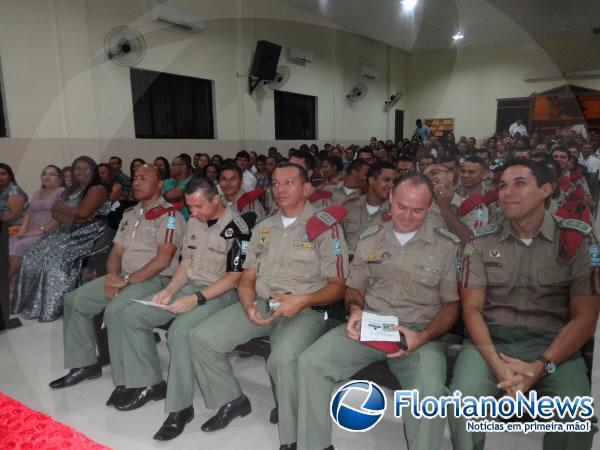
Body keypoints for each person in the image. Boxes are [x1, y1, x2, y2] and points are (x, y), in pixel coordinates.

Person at [188, 163, 349, 450]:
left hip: (305, 309)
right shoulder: (263, 228)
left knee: (282, 360)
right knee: (201, 338)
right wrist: (248, 305)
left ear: (306, 188)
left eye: (289, 182)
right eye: (275, 183)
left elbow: (337, 286)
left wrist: (303, 301)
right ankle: (232, 400)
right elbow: (247, 276)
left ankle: (294, 439)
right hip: (263, 302)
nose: (280, 189)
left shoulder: (325, 227)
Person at [296, 172, 461, 450]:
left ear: (430, 206)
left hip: (418, 333)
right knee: (310, 363)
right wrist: (356, 310)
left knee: (428, 393)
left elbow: (452, 305)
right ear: (391, 198)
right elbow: (354, 287)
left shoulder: (446, 246)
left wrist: (424, 336)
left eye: (418, 210)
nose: (407, 216)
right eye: (401, 206)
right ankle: (315, 445)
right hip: (370, 323)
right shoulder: (370, 237)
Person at [449, 159, 599, 450]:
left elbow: (586, 316)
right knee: (463, 403)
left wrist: (539, 368)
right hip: (488, 345)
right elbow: (472, 310)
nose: (507, 193)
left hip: (554, 348)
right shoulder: (479, 241)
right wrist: (499, 368)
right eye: (503, 186)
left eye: (519, 183)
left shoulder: (576, 239)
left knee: (576, 416)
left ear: (546, 189)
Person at [111, 177, 249, 439]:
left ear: (216, 199)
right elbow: (186, 263)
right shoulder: (196, 222)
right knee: (133, 315)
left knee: (179, 332)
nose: (193, 213)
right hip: (191, 287)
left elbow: (234, 278)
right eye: (190, 207)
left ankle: (180, 408)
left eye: (199, 207)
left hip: (221, 295)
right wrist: (169, 290)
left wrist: (195, 298)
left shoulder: (239, 227)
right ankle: (149, 383)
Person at [48, 164, 185, 390]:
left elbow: (163, 260)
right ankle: (84, 363)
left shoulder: (170, 215)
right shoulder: (130, 214)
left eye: (144, 178)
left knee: (116, 310)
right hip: (123, 276)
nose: (137, 182)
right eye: (135, 178)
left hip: (155, 279)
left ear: (160, 184)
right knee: (74, 300)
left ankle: (134, 382)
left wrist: (127, 281)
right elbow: (116, 252)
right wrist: (112, 276)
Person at [11, 156, 111, 321]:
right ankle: (33, 305)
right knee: (32, 254)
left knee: (54, 258)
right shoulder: (70, 189)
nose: (81, 172)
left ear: (93, 171)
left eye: (86, 168)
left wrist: (69, 212)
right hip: (65, 231)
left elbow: (81, 214)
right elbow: (56, 213)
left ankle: (54, 307)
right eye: (77, 168)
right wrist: (74, 215)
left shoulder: (97, 189)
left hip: (89, 234)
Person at [9, 165, 64, 295]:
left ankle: (7, 278)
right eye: (44, 173)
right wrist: (23, 228)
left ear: (59, 179)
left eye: (51, 174)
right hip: (30, 231)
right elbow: (29, 212)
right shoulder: (36, 193)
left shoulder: (61, 192)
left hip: (49, 232)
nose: (47, 176)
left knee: (20, 245)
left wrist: (41, 230)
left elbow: (60, 216)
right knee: (10, 242)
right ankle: (12, 282)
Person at [342, 161, 394, 256]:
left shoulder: (395, 213)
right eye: (386, 180)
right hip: (348, 264)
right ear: (371, 181)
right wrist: (339, 257)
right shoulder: (349, 207)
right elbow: (336, 240)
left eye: (394, 181)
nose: (391, 185)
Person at [163, 155, 193, 220]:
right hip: (167, 220)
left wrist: (166, 195)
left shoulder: (193, 181)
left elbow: (171, 195)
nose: (170, 168)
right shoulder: (168, 181)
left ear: (183, 167)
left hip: (186, 222)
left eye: (173, 165)